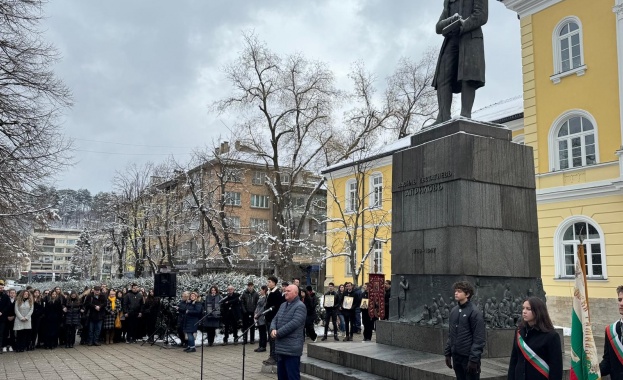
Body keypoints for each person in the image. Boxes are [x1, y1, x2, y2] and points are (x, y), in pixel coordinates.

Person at [432, 0, 488, 125]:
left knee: (468, 75)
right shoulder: (448, 1)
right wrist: (452, 20)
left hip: (470, 36)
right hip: (451, 39)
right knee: (442, 77)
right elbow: (438, 27)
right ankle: (443, 116)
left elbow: (481, 15)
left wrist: (462, 25)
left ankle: (465, 115)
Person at [507, 296, 562, 380]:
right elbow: (514, 360)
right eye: (523, 308)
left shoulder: (551, 336)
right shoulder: (519, 331)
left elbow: (556, 368)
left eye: (528, 309)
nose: (524, 312)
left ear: (538, 311)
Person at [444, 281, 486, 380]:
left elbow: (479, 339)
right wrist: (447, 353)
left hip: (469, 359)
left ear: (467, 294)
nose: (456, 293)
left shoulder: (475, 312)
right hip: (456, 357)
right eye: (455, 291)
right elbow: (451, 334)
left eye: (459, 291)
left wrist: (473, 360)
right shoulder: (454, 311)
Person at [270, 285, 307, 380]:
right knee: (282, 376)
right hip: (281, 347)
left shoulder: (300, 306)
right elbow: (275, 319)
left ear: (295, 293)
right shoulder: (283, 305)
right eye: (285, 290)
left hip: (292, 349)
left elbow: (294, 323)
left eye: (288, 291)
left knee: (292, 376)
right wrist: (273, 329)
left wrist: (278, 333)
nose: (285, 292)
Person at [600, 285, 623, 379]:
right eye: (619, 299)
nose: (621, 303)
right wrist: (592, 371)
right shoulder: (611, 330)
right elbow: (608, 363)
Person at [264, 275, 285, 365]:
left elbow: (277, 308)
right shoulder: (270, 292)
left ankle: (274, 357)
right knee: (270, 339)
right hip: (268, 318)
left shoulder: (276, 293)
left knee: (273, 339)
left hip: (273, 319)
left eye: (270, 282)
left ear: (274, 283)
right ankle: (271, 355)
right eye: (268, 281)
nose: (268, 283)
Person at [254, 285, 268, 353]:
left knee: (263, 332)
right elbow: (257, 306)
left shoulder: (266, 298)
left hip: (262, 316)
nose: (260, 291)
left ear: (264, 290)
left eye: (261, 290)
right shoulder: (261, 297)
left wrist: (258, 314)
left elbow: (263, 307)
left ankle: (263, 346)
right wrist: (255, 313)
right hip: (258, 316)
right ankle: (260, 345)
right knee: (260, 332)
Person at [0, 280, 10, 354]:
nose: (1, 289)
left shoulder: (5, 296)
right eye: (0, 288)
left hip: (2, 317)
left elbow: (8, 305)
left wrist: (2, 312)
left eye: (2, 288)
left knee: (1, 333)